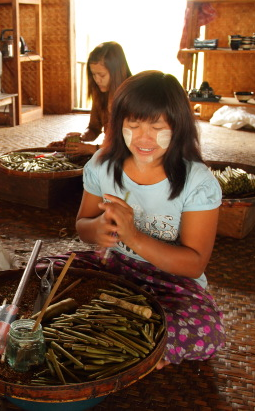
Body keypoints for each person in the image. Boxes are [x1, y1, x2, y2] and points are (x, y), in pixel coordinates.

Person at [63, 71, 225, 370]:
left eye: (157, 127)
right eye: (133, 125)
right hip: (113, 266)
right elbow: (82, 226)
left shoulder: (196, 182)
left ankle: (116, 333)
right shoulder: (102, 165)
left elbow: (194, 264)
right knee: (44, 273)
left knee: (206, 329)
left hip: (171, 281)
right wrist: (97, 229)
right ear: (119, 124)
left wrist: (134, 236)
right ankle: (130, 335)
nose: (143, 138)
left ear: (178, 127)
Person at [50, 42, 132, 156]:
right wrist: (82, 136)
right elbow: (94, 128)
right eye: (93, 74)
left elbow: (129, 145)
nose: (97, 80)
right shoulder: (100, 93)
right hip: (107, 150)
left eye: (102, 75)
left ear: (116, 73)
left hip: (126, 156)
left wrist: (92, 149)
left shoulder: (132, 97)